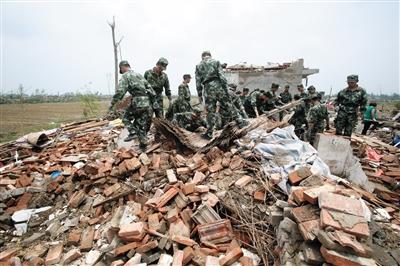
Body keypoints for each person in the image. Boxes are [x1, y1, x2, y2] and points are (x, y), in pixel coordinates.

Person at [195, 51, 248, 139]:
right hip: (218, 85)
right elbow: (222, 76)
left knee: (210, 111)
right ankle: (240, 121)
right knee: (228, 104)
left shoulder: (198, 66)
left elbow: (198, 82)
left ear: (202, 57)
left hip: (207, 88)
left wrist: (200, 94)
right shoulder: (216, 62)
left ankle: (209, 133)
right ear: (210, 56)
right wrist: (226, 89)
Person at [109, 60, 156, 150]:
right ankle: (143, 148)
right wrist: (153, 103)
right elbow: (152, 91)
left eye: (121, 70)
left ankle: (133, 132)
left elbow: (120, 91)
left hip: (137, 102)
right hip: (147, 103)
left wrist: (112, 104)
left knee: (125, 118)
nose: (121, 72)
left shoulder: (126, 76)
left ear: (122, 67)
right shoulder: (139, 75)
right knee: (140, 124)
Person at [144, 57, 171, 140]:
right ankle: (144, 136)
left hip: (159, 99)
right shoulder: (148, 73)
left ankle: (158, 137)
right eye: (160, 68)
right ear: (157, 65)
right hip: (149, 99)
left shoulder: (164, 76)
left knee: (160, 118)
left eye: (163, 69)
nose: (161, 70)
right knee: (148, 117)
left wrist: (170, 100)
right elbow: (142, 85)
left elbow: (167, 88)